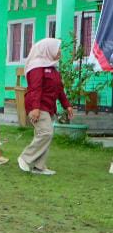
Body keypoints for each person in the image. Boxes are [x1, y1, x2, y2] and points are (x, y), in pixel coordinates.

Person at [18, 38, 72, 175]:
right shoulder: (36, 67)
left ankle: (39, 166)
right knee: (46, 132)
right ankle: (25, 158)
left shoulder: (53, 68)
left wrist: (67, 106)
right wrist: (35, 108)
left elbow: (59, 89)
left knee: (43, 135)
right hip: (37, 105)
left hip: (48, 107)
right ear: (48, 49)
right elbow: (35, 88)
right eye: (57, 48)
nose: (59, 52)